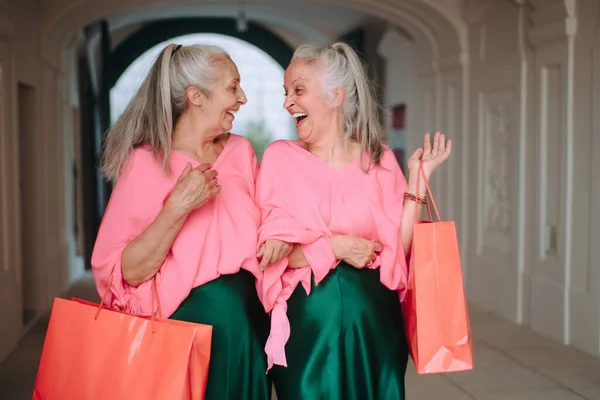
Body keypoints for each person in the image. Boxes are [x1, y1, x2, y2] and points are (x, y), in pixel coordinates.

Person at [256, 42, 452, 400]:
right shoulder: (278, 159)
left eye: (298, 90)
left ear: (335, 96)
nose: (288, 102)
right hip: (308, 328)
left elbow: (397, 249)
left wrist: (418, 182)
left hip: (375, 323)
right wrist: (334, 246)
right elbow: (270, 255)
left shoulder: (379, 160)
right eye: (286, 93)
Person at [91, 43, 271, 400]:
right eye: (232, 87)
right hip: (183, 333)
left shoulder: (241, 152)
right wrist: (176, 207)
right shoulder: (145, 163)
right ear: (196, 96)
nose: (243, 98)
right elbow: (125, 272)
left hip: (249, 326)